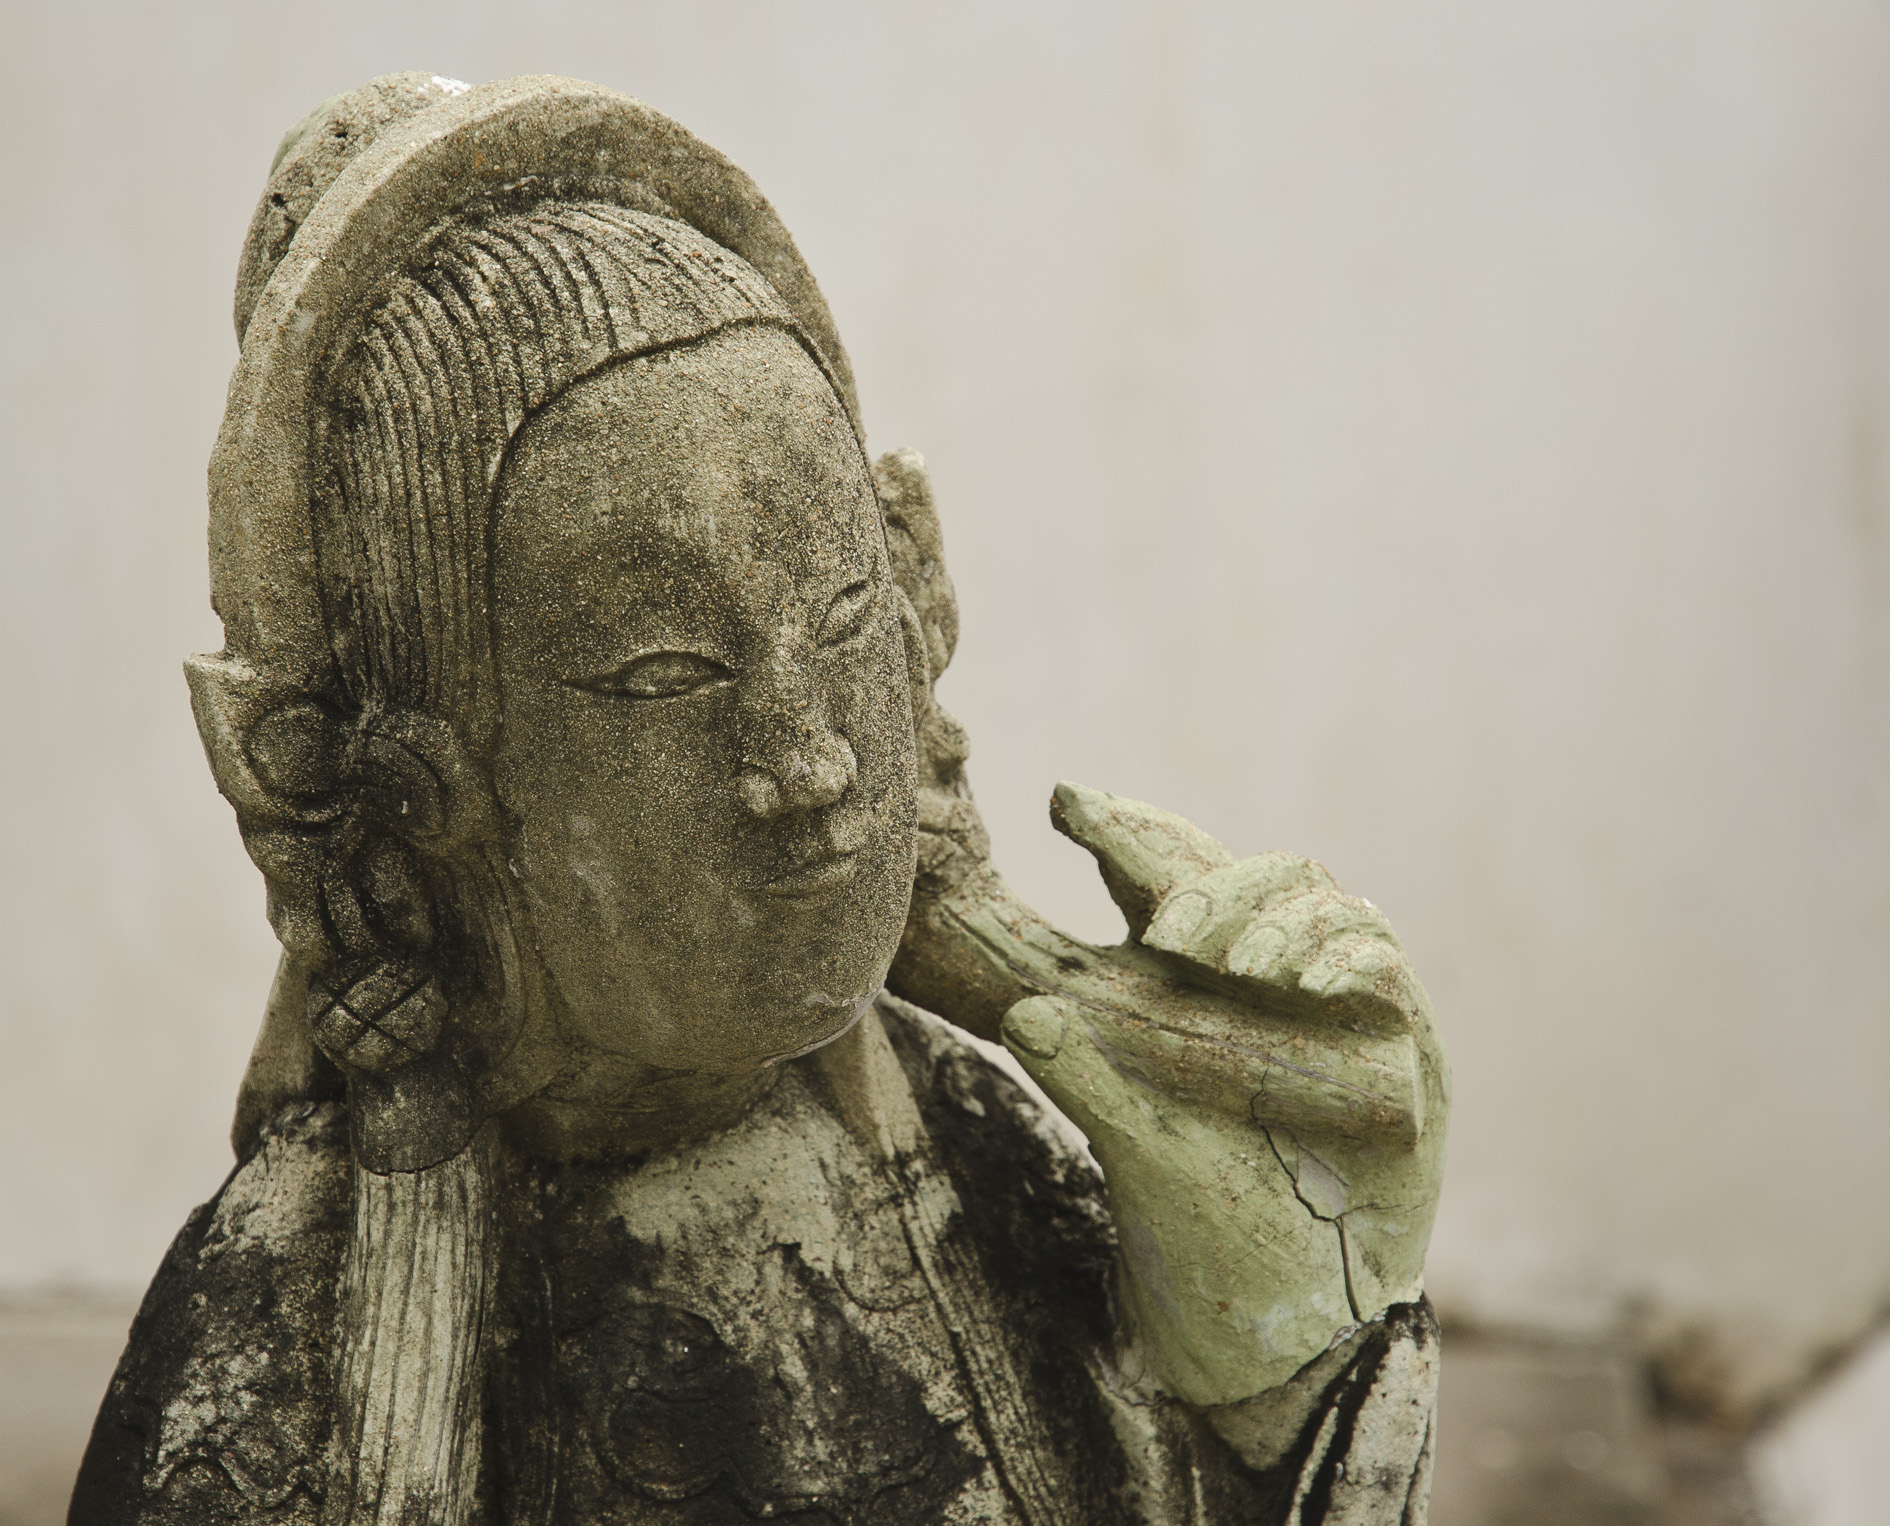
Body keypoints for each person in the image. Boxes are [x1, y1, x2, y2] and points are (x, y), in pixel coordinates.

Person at [71, 74, 1447, 1526]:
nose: (809, 763)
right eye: (666, 671)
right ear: (429, 783)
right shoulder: (283, 1319)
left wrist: (1291, 1365)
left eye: (846, 614)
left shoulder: (984, 1160)